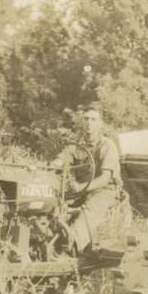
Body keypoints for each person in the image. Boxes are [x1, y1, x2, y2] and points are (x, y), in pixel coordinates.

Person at [55, 102, 122, 254]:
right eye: (86, 119)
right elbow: (62, 158)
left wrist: (80, 187)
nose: (89, 123)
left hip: (105, 191)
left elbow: (105, 178)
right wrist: (54, 164)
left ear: (100, 124)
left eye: (93, 120)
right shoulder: (77, 145)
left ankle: (72, 245)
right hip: (81, 190)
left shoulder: (107, 145)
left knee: (91, 209)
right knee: (54, 202)